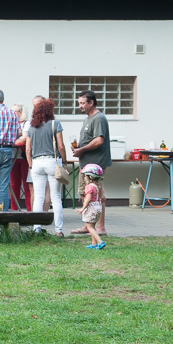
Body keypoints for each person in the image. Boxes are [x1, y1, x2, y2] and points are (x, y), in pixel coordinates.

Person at [72, 90, 111, 236]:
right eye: (79, 103)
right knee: (85, 193)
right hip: (86, 163)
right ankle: (88, 225)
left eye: (83, 103)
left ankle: (100, 228)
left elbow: (99, 140)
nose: (80, 106)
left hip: (95, 164)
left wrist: (82, 150)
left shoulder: (98, 118)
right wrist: (78, 148)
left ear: (91, 103)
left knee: (96, 194)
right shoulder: (87, 118)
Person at [25, 98, 66, 237]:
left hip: (36, 163)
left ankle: (36, 228)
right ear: (50, 111)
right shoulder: (55, 124)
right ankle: (58, 230)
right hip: (52, 161)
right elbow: (60, 146)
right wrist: (64, 161)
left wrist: (30, 166)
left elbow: (28, 150)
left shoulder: (31, 127)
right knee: (56, 197)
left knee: (38, 197)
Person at [77, 163, 106, 249]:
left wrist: (82, 208)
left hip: (91, 208)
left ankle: (100, 242)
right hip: (98, 208)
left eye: (85, 176)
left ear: (90, 177)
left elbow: (88, 199)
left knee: (89, 227)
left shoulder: (89, 187)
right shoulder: (99, 186)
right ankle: (94, 244)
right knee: (93, 226)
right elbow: (102, 198)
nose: (84, 178)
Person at [10, 104, 33, 211]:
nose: (11, 114)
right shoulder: (10, 123)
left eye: (14, 112)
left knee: (27, 184)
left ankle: (29, 209)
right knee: (14, 184)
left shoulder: (27, 123)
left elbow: (24, 138)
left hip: (24, 157)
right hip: (12, 156)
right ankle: (14, 209)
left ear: (20, 113)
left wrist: (13, 141)